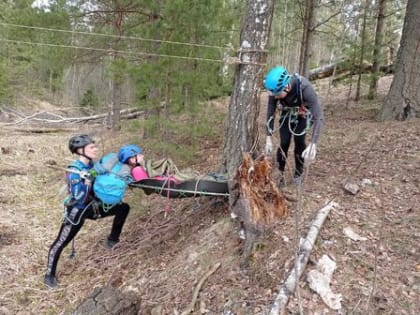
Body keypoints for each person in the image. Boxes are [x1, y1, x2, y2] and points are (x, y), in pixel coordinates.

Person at [44, 135, 130, 289]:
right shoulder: (74, 170)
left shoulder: (94, 165)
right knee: (61, 242)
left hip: (95, 208)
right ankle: (49, 274)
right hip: (78, 211)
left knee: (124, 208)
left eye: (95, 146)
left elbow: (105, 180)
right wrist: (87, 181)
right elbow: (79, 197)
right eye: (91, 147)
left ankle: (112, 240)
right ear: (80, 150)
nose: (95, 149)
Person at [263, 65, 324, 186]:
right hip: (287, 113)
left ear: (286, 87)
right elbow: (270, 112)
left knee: (299, 141)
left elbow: (319, 117)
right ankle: (279, 173)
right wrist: (268, 137)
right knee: (284, 142)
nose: (275, 97)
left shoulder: (305, 88)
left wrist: (313, 144)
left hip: (303, 114)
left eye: (277, 94)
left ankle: (298, 173)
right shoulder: (274, 88)